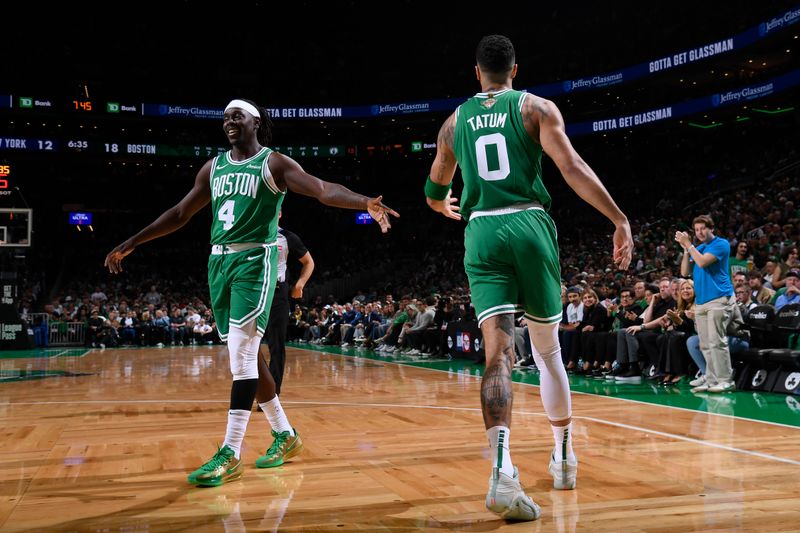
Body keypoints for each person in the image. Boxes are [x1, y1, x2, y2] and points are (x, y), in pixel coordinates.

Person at [105, 98, 398, 487]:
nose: (229, 121)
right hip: (218, 264)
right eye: (225, 116)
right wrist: (132, 242)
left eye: (236, 115)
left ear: (255, 122)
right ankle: (285, 434)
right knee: (245, 357)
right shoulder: (213, 167)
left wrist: (364, 202)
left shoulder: (274, 164)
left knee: (242, 356)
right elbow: (179, 214)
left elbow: (323, 189)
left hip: (252, 263)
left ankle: (230, 451)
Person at [425, 35, 632, 521]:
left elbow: (435, 187)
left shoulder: (454, 123)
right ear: (514, 70)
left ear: (476, 73)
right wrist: (618, 219)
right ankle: (563, 456)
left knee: (498, 355)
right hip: (529, 223)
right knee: (547, 351)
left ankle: (501, 470)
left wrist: (442, 204)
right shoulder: (536, 108)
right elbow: (572, 168)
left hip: (482, 230)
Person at [675, 215, 735, 393]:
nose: (700, 232)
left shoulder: (721, 244)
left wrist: (690, 245)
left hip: (719, 298)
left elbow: (701, 262)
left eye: (703, 228)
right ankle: (711, 379)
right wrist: (686, 249)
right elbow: (685, 272)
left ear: (711, 228)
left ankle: (726, 380)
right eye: (697, 230)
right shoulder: (698, 248)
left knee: (717, 342)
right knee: (705, 343)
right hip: (701, 301)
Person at [259, 212, 314, 396]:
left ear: (280, 213)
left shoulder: (288, 237)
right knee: (248, 346)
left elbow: (309, 262)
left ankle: (272, 393)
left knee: (276, 345)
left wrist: (300, 284)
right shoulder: (250, 234)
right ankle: (258, 387)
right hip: (254, 293)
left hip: (277, 293)